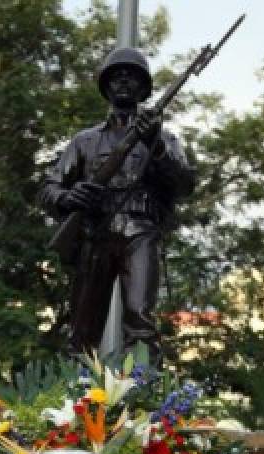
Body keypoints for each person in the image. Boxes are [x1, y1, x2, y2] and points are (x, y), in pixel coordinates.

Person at [38, 46, 196, 363]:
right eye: (117, 77)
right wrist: (68, 198)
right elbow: (48, 186)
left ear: (143, 88)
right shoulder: (84, 140)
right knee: (83, 326)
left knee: (140, 317)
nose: (124, 82)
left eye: (132, 77)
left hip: (141, 230)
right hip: (95, 232)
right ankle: (74, 401)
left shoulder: (165, 139)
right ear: (107, 87)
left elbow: (184, 184)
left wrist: (156, 146)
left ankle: (142, 394)